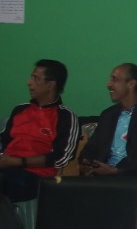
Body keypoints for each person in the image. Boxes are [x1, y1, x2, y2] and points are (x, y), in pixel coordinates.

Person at [0, 59, 78, 215]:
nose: (29, 82)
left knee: (9, 181)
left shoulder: (65, 116)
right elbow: (4, 141)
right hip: (7, 168)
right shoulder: (20, 110)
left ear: (51, 84)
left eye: (36, 78)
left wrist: (18, 162)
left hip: (35, 176)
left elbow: (61, 157)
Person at [80, 63, 137, 176]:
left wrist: (118, 170)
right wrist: (86, 161)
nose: (109, 84)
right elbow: (92, 146)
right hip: (103, 176)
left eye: (114, 79)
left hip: (134, 177)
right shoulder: (108, 115)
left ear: (131, 84)